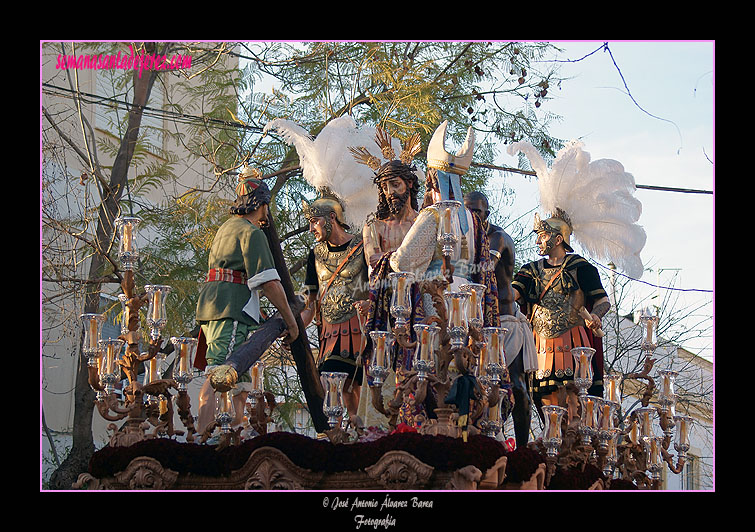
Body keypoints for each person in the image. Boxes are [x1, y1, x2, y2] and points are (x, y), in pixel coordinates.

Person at [195, 165, 299, 437]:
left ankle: (235, 434)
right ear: (262, 204)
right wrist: (291, 321)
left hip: (220, 306)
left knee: (237, 375)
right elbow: (270, 284)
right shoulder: (251, 232)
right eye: (267, 206)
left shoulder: (226, 228)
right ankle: (203, 437)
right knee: (220, 371)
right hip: (229, 309)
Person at [512, 210, 610, 414]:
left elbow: (602, 300)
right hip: (540, 347)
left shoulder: (580, 267)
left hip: (574, 343)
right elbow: (510, 295)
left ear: (558, 239)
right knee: (547, 405)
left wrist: (596, 315)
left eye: (543, 235)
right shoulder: (529, 271)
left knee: (576, 402)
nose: (538, 240)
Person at [464, 191, 536, 448]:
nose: (472, 216)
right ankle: (489, 439)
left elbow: (482, 269)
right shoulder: (468, 239)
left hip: (505, 321)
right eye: (467, 211)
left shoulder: (498, 237)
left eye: (477, 212)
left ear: (487, 214)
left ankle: (523, 447)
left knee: (515, 384)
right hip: (477, 322)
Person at [300, 196, 369, 423]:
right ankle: (334, 438)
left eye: (315, 221)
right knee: (329, 385)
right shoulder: (315, 255)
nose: (311, 228)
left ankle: (358, 436)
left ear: (332, 218)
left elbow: (375, 289)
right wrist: (294, 326)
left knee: (350, 389)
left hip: (357, 329)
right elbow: (310, 304)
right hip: (328, 333)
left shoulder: (363, 246)